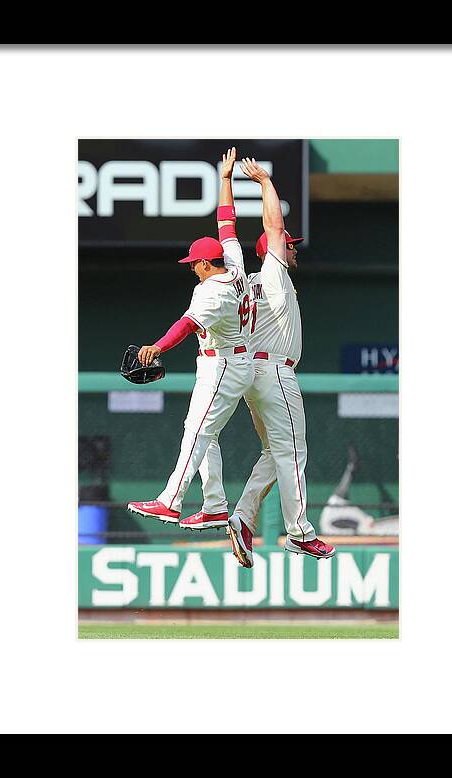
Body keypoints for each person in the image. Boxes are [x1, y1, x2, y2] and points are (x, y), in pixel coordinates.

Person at [179, 154, 335, 568]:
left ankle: (242, 517)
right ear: (276, 253)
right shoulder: (274, 274)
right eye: (289, 247)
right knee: (294, 451)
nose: (292, 249)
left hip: (248, 371)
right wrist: (265, 182)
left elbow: (225, 226)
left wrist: (225, 180)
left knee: (272, 451)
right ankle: (301, 532)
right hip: (275, 372)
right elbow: (273, 227)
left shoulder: (240, 279)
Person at [126, 176, 255, 524]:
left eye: (193, 264)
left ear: (204, 264)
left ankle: (171, 500)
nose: (192, 269)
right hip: (229, 359)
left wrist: (157, 346)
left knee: (198, 432)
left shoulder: (211, 291)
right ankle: (215, 506)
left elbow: (186, 326)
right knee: (202, 431)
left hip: (224, 364)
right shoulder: (235, 264)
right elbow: (227, 223)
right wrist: (226, 180)